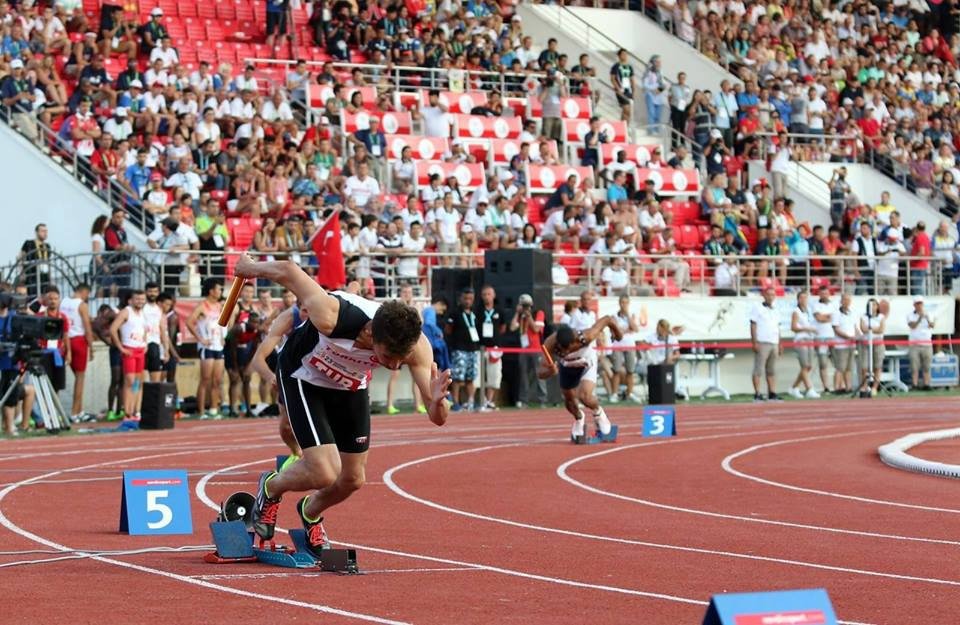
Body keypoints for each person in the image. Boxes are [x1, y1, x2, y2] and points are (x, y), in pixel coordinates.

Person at [232, 253, 451, 557]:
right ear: (370, 332)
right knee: (323, 472)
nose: (396, 366)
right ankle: (271, 488)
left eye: (402, 358)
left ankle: (310, 512)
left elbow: (436, 417)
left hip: (348, 385)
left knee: (352, 479)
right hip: (303, 375)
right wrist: (249, 268)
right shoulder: (332, 314)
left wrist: (439, 402)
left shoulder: (415, 347)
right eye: (388, 357)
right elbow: (288, 270)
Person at [539, 316, 622, 441]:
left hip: (586, 362)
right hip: (567, 366)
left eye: (568, 348)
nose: (566, 351)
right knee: (569, 400)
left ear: (574, 341)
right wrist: (549, 371)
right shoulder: (549, 344)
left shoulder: (587, 336)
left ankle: (598, 413)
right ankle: (579, 418)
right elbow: (540, 373)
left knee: (584, 396)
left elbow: (608, 320)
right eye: (562, 349)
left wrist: (617, 333)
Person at [248, 304, 306, 459]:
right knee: (287, 426)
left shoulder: (328, 320)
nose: (307, 314)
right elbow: (257, 359)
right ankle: (296, 453)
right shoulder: (287, 319)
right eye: (303, 310)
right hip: (291, 375)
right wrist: (270, 376)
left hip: (321, 379)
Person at [186, 279, 228, 418]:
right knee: (205, 379)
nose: (220, 292)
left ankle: (214, 409)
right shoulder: (202, 306)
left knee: (217, 380)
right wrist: (201, 339)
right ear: (211, 291)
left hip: (218, 346)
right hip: (207, 346)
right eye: (218, 289)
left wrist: (222, 336)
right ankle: (201, 410)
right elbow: (189, 322)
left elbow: (223, 323)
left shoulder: (220, 305)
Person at [385, 285, 425, 414]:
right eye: (405, 292)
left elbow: (420, 324)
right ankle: (390, 404)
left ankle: (418, 404)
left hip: (411, 346)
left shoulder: (416, 307)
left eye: (409, 292)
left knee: (416, 375)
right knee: (394, 375)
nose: (407, 294)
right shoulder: (396, 307)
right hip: (399, 346)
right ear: (401, 293)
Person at [59, 283, 96, 421]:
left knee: (75, 375)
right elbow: (87, 326)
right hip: (78, 340)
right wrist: (91, 347)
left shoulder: (63, 301)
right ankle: (75, 412)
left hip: (65, 339)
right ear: (85, 292)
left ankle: (79, 410)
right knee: (80, 378)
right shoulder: (82, 305)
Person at [109, 289, 147, 420]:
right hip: (129, 349)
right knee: (129, 381)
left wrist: (145, 343)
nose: (140, 302)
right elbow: (113, 329)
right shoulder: (126, 312)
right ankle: (127, 411)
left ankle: (136, 410)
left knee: (138, 382)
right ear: (131, 300)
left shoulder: (142, 313)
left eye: (142, 299)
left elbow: (144, 329)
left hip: (140, 350)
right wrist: (121, 347)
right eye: (137, 299)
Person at [445, 287, 481, 411]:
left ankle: (470, 402)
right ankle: (456, 402)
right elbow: (448, 330)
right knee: (457, 378)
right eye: (465, 298)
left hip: (473, 349)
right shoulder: (454, 313)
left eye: (470, 299)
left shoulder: (475, 313)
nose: (467, 301)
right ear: (461, 298)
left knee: (471, 377)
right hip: (459, 349)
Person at [510, 293, 546, 408]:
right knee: (523, 375)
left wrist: (528, 316)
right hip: (524, 349)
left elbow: (536, 329)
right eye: (523, 305)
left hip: (536, 349)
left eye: (526, 305)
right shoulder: (520, 315)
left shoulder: (538, 313)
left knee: (539, 374)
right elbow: (512, 327)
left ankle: (542, 400)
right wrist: (517, 313)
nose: (525, 307)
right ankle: (524, 400)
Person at [750, 286, 781, 402]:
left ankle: (771, 392)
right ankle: (757, 393)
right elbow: (753, 325)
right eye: (768, 294)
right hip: (762, 342)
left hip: (774, 342)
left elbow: (778, 327)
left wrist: (780, 342)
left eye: (773, 295)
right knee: (758, 369)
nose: (771, 297)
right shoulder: (757, 308)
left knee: (771, 370)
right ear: (763, 295)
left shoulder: (776, 309)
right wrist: (754, 342)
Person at [477, 285, 505, 412]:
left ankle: (489, 401)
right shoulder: (478, 310)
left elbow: (503, 328)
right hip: (480, 347)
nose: (487, 297)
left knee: (494, 375)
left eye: (489, 294)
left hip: (495, 348)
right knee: (479, 375)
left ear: (493, 295)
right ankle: (481, 400)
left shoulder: (500, 311)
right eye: (484, 294)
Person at [788, 290, 819, 399]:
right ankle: (809, 388)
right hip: (801, 339)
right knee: (805, 365)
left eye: (805, 298)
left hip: (810, 339)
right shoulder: (796, 311)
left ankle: (794, 387)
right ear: (798, 299)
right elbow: (793, 327)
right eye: (801, 298)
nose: (804, 300)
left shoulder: (808, 311)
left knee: (808, 366)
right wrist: (808, 328)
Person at [610, 294, 641, 403]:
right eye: (622, 302)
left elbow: (635, 329)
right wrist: (627, 330)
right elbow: (614, 332)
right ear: (619, 303)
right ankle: (614, 393)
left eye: (626, 303)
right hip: (618, 345)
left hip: (629, 345)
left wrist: (628, 317)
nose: (624, 305)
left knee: (630, 371)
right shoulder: (614, 316)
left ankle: (630, 393)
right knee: (617, 370)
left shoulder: (631, 315)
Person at [142, 282, 170, 383]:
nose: (152, 294)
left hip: (155, 345)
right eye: (150, 291)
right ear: (146, 292)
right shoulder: (142, 307)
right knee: (140, 379)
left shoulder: (159, 310)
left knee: (156, 379)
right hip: (142, 346)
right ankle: (138, 398)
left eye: (155, 291)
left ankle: (153, 398)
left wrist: (166, 350)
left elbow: (162, 330)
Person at [858, 298, 886, 397]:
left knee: (877, 365)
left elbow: (881, 330)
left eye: (875, 304)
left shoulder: (881, 317)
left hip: (877, 343)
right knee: (864, 366)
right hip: (865, 344)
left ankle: (875, 387)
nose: (873, 307)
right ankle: (864, 386)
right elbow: (863, 329)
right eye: (871, 305)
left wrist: (870, 329)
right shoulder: (863, 317)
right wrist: (873, 329)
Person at [831, 292, 857, 394]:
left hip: (851, 344)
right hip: (840, 345)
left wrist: (857, 337)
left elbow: (855, 328)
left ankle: (848, 387)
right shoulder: (836, 313)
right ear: (841, 301)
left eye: (848, 300)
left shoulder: (852, 313)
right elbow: (836, 329)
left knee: (849, 367)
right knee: (840, 367)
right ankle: (837, 387)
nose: (847, 302)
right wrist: (847, 337)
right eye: (845, 300)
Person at [907, 297, 935, 390]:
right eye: (917, 304)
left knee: (927, 366)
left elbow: (932, 325)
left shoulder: (929, 313)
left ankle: (926, 384)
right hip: (914, 344)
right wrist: (919, 318)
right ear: (914, 305)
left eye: (921, 303)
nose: (919, 306)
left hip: (927, 343)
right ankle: (914, 384)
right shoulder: (910, 315)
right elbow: (912, 326)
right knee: (914, 366)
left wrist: (926, 318)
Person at [812, 286, 836, 393]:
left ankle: (838, 386)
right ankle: (826, 387)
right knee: (823, 363)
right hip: (820, 337)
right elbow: (819, 318)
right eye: (822, 293)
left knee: (837, 362)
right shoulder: (815, 305)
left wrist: (825, 317)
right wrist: (828, 317)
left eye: (826, 293)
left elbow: (835, 318)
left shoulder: (833, 304)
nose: (824, 295)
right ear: (819, 294)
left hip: (833, 337)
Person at [19, 223, 51, 298]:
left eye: (46, 231)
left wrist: (50, 278)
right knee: (32, 297)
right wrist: (22, 272)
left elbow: (49, 263)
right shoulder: (29, 243)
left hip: (44, 277)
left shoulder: (47, 246)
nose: (45, 233)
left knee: (44, 296)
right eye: (42, 231)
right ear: (37, 232)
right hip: (32, 277)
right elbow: (20, 257)